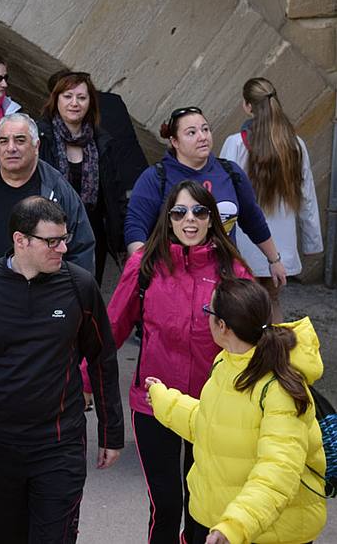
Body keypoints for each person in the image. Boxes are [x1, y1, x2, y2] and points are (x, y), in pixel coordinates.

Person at [0, 197, 124, 544]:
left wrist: (111, 433)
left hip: (59, 445)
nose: (63, 248)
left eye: (65, 238)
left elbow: (102, 360)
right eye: (52, 241)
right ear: (21, 240)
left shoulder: (79, 287)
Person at [103, 182, 253, 544]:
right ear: (168, 219)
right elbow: (112, 329)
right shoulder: (146, 264)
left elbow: (252, 337)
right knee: (166, 506)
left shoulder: (232, 269)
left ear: (211, 219)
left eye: (199, 212)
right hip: (155, 403)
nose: (190, 220)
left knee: (203, 509)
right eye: (179, 212)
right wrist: (85, 381)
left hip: (213, 407)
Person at [146, 277, 327, 544]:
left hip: (263, 534)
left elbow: (278, 471)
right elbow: (212, 424)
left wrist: (235, 525)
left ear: (222, 326)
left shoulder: (279, 389)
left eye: (208, 310)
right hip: (217, 522)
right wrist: (164, 399)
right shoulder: (228, 361)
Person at [125, 106, 288, 291]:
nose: (202, 137)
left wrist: (274, 260)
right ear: (174, 141)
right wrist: (142, 269)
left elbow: (252, 219)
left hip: (224, 276)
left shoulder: (231, 172)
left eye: (205, 129)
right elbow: (135, 225)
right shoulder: (155, 178)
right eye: (191, 132)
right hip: (172, 280)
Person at [0, 113, 96, 303]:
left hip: (44, 304)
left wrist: (67, 304)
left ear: (36, 146)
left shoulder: (58, 190)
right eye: (3, 141)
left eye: (20, 140)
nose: (11, 148)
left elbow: (81, 251)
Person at [219, 77, 324, 316]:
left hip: (246, 244)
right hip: (281, 246)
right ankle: (274, 353)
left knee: (245, 309)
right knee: (272, 302)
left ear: (247, 106)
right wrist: (312, 242)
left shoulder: (235, 144)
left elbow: (222, 198)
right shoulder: (295, 145)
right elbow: (307, 198)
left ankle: (249, 353)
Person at [38, 71, 129, 284]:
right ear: (56, 99)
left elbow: (115, 194)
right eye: (68, 96)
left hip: (91, 235)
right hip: (50, 232)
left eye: (81, 97)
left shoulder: (102, 142)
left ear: (90, 102)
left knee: (86, 293)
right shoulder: (42, 138)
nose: (74, 103)